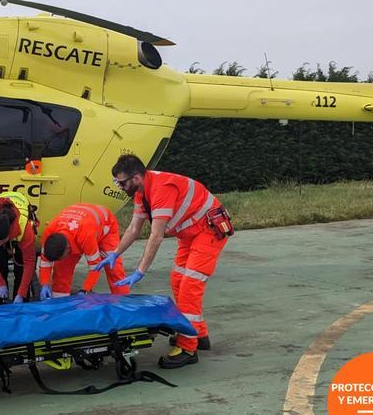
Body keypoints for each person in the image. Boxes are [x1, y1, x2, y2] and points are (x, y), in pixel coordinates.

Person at [97, 154, 232, 369]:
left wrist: (140, 271)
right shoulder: (142, 193)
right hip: (190, 233)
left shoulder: (161, 189)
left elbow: (156, 235)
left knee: (189, 285)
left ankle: (188, 347)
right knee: (178, 279)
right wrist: (115, 253)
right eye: (116, 182)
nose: (119, 187)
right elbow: (134, 229)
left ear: (137, 178)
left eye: (121, 182)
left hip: (207, 231)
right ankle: (199, 334)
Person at [38, 203, 130, 298]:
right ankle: (59, 305)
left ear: (68, 249)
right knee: (61, 270)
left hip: (106, 227)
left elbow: (95, 266)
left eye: (60, 258)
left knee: (113, 267)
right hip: (81, 224)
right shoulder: (49, 233)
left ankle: (122, 302)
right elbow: (45, 261)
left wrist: (85, 290)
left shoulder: (86, 236)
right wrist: (45, 283)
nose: (58, 261)